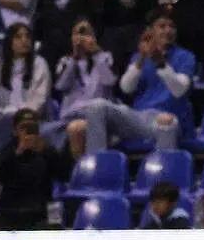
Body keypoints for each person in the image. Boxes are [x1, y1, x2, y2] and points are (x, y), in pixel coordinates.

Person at [68, 11, 195, 152]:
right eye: (162, 26)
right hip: (139, 118)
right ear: (150, 31)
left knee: (165, 121)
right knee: (96, 106)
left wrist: (159, 61)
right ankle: (98, 163)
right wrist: (142, 58)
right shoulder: (138, 58)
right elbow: (126, 87)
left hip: (169, 117)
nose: (168, 30)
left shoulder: (186, 57)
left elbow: (179, 90)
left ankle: (161, 173)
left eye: (171, 26)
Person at [0, 108, 69, 229]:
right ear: (15, 130)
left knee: (55, 226)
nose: (28, 132)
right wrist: (18, 152)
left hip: (41, 211)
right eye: (23, 128)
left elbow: (64, 175)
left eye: (32, 127)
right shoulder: (8, 150)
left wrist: (45, 152)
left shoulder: (47, 149)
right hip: (13, 211)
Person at [48, 18, 116, 151]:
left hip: (98, 115)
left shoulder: (105, 57)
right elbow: (61, 86)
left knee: (78, 129)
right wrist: (75, 58)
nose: (82, 38)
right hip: (71, 116)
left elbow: (109, 81)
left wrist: (96, 53)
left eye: (86, 33)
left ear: (94, 37)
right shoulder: (66, 61)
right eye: (78, 34)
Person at [0, 23, 52, 150]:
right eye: (18, 37)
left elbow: (40, 100)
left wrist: (17, 114)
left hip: (30, 116)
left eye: (27, 37)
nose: (24, 40)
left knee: (7, 120)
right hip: (1, 114)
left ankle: (1, 157)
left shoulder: (40, 63)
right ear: (10, 42)